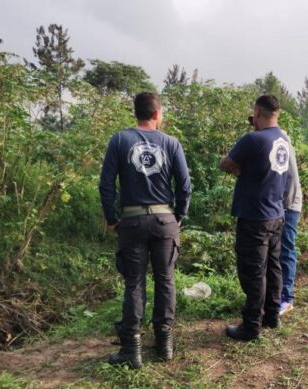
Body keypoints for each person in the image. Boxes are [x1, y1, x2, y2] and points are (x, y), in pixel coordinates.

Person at [99, 92, 191, 369]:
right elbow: (184, 186)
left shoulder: (119, 139)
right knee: (165, 280)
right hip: (165, 222)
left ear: (137, 113)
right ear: (156, 114)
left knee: (134, 283)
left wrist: (111, 218)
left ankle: (132, 349)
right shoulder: (171, 143)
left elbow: (106, 185)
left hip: (132, 221)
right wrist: (179, 216)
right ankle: (165, 346)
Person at [219, 95, 290, 341]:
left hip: (254, 217)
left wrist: (236, 167)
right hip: (276, 215)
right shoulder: (283, 139)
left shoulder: (253, 139)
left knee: (253, 272)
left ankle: (251, 326)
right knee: (273, 267)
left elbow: (225, 163)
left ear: (257, 111)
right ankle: (272, 316)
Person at [279, 135, 302, 316]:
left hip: (288, 206)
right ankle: (275, 293)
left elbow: (292, 177)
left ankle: (286, 298)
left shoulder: (282, 141)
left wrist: (285, 207)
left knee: (286, 250)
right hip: (277, 206)